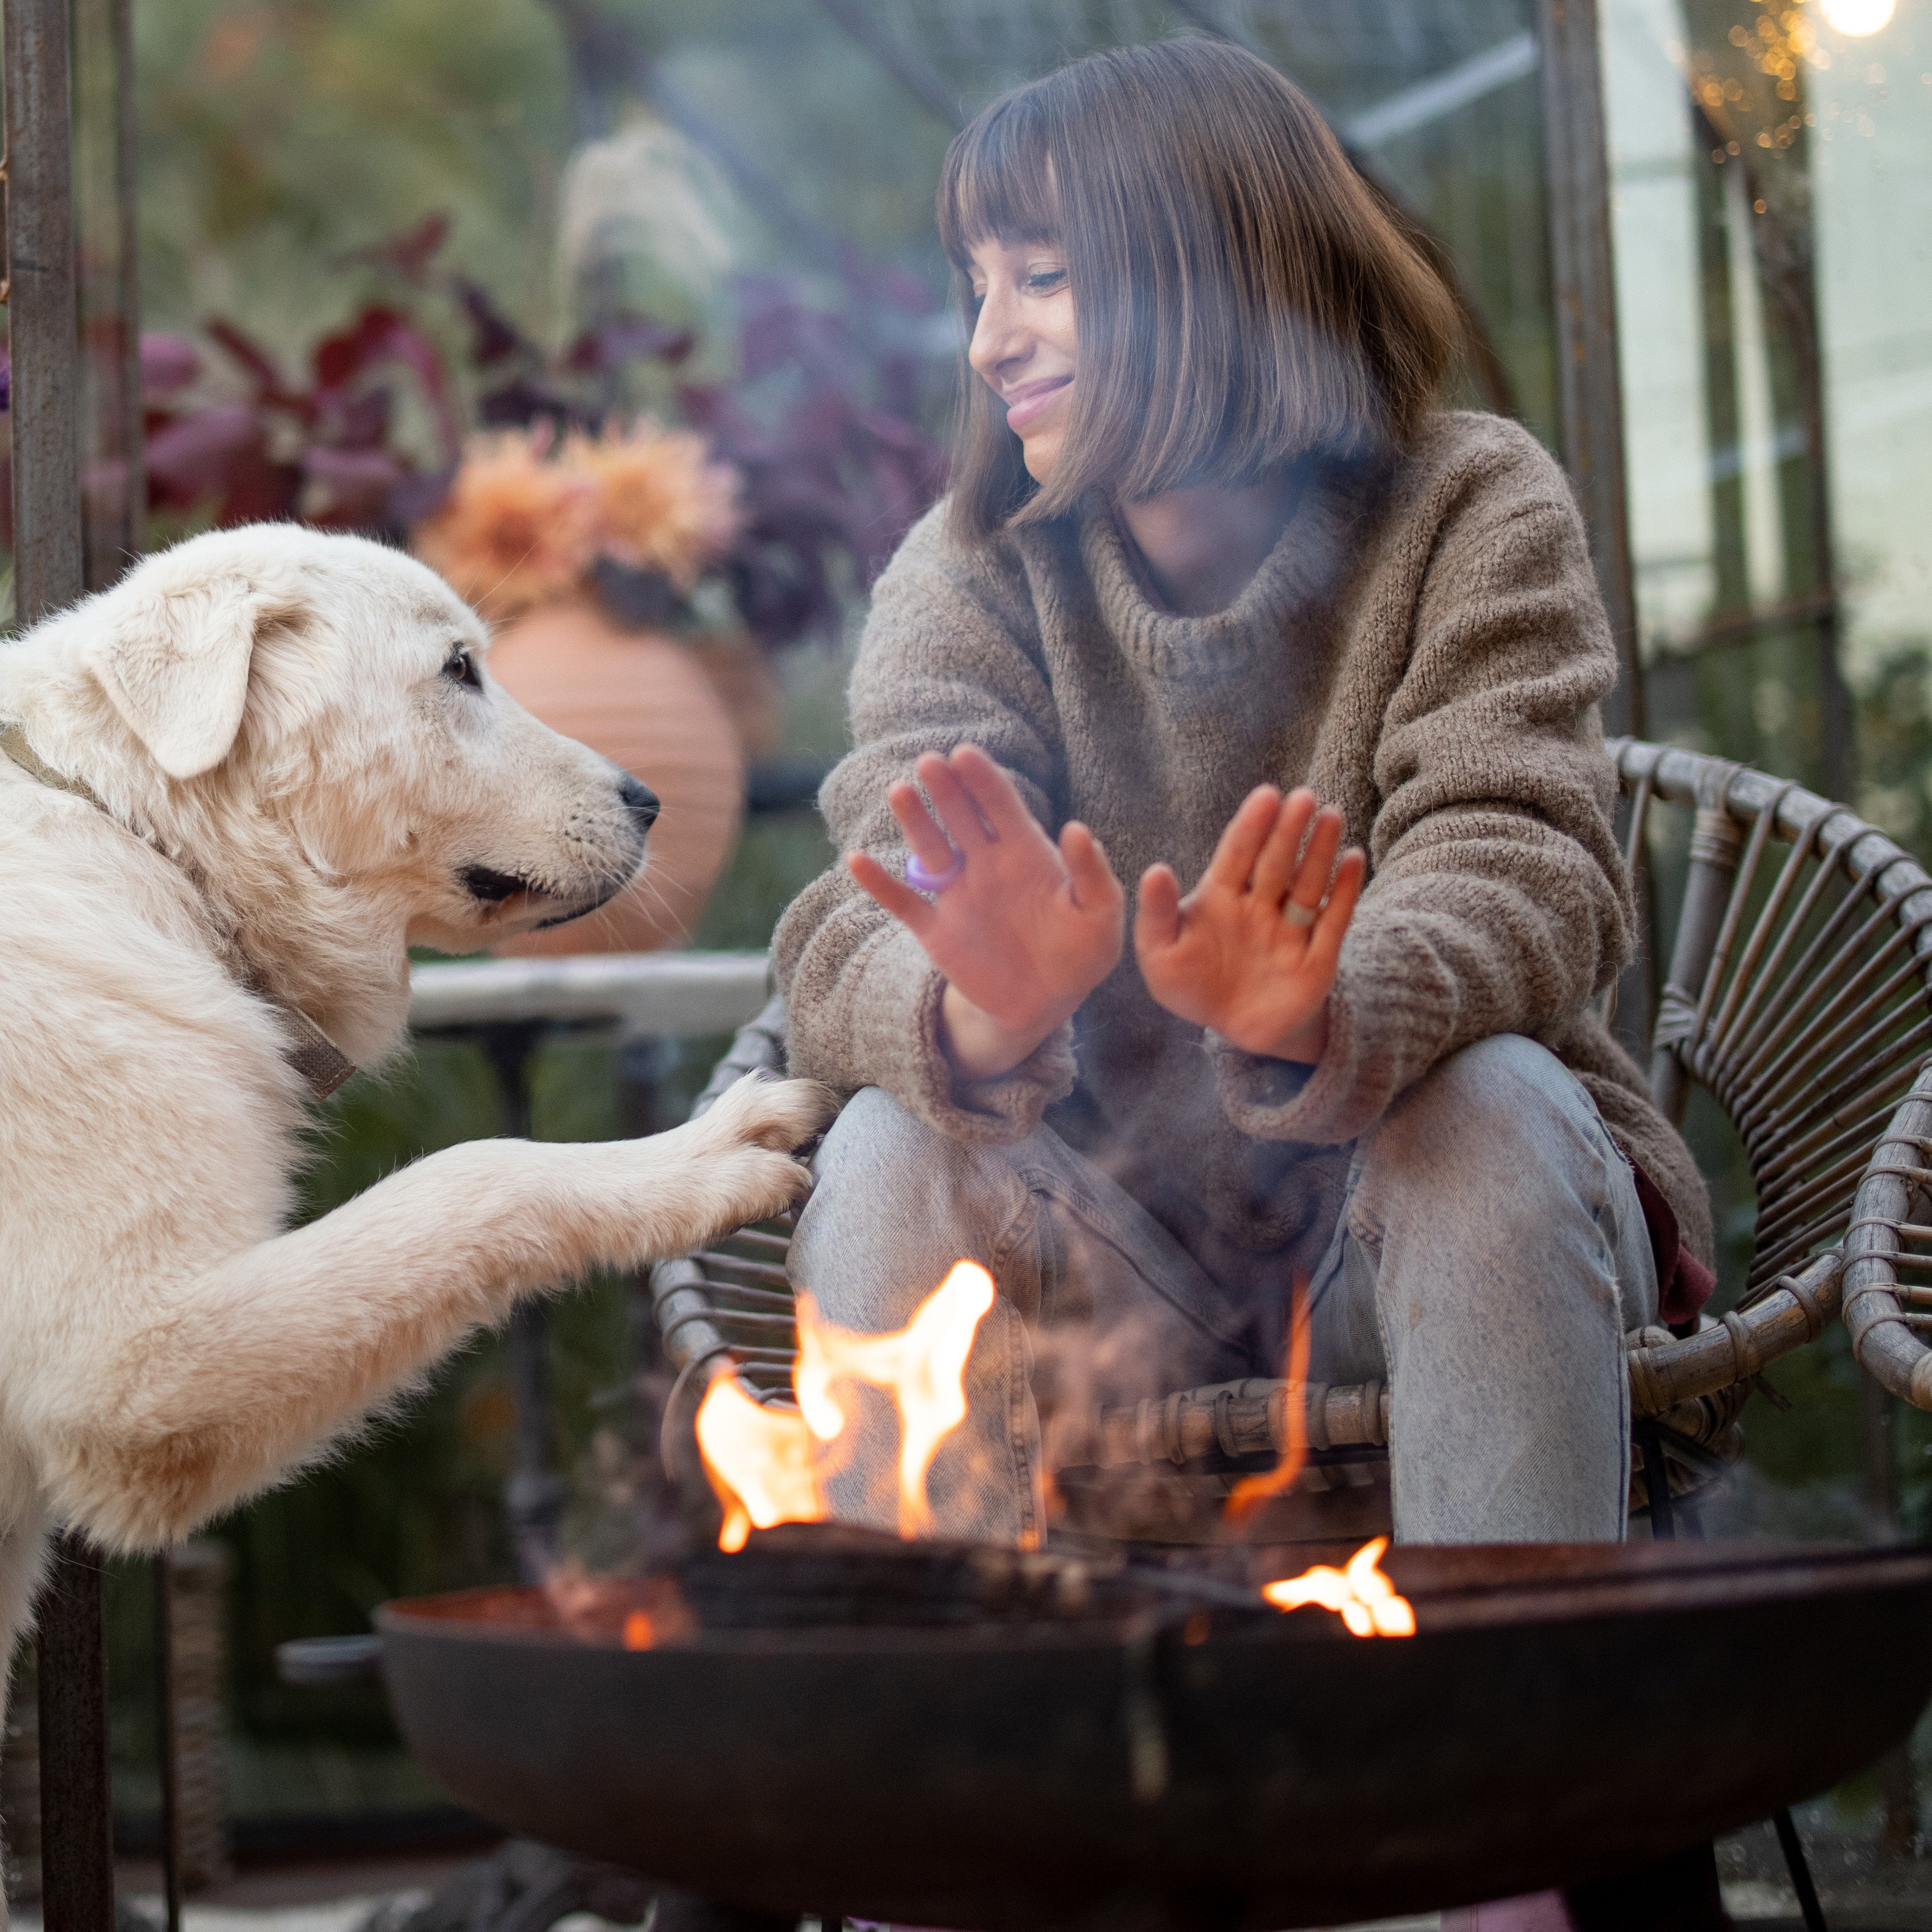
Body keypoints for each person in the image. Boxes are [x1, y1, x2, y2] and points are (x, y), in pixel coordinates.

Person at [772, 37, 1712, 1549]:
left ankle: (1521, 1748)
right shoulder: (967, 575)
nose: (986, 344)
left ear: (1211, 272)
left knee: (1483, 1111)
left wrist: (1328, 1004)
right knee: (888, 1148)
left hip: (1402, 1239)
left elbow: (1530, 864)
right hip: (1102, 1292)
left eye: (1044, 277)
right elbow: (843, 926)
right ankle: (918, 1761)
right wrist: (974, 1007)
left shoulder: (1469, 504)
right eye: (976, 286)